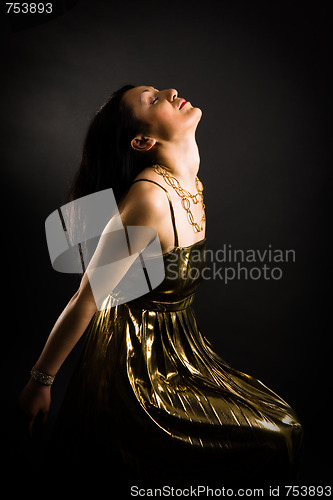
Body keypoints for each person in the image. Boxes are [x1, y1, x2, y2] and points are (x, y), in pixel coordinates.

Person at [18, 85, 303, 489]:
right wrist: (40, 383)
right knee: (275, 439)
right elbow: (87, 297)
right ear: (142, 141)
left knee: (286, 423)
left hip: (180, 349)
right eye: (152, 100)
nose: (170, 91)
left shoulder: (191, 183)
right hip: (136, 364)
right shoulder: (150, 199)